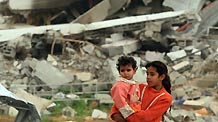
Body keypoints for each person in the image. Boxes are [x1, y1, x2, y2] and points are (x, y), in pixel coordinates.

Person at [110, 56, 141, 120]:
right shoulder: (119, 85)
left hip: (133, 110)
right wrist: (129, 114)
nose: (125, 73)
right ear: (119, 72)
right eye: (122, 70)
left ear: (134, 70)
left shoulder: (134, 83)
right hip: (121, 112)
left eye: (128, 70)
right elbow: (120, 101)